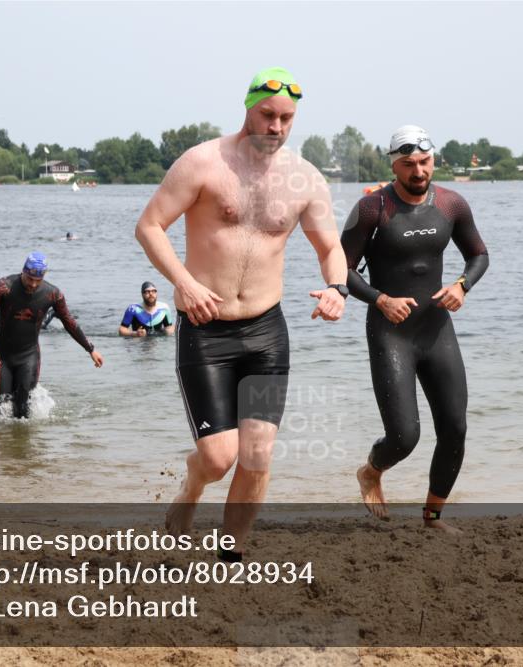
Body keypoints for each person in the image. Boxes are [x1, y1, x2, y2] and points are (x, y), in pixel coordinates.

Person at [135, 67, 347, 560]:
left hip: (266, 332)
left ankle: (231, 553)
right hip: (205, 329)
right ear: (247, 108)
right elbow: (149, 227)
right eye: (267, 115)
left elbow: (330, 246)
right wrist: (183, 284)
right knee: (218, 458)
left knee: (257, 455)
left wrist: (336, 287)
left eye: (286, 118)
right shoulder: (203, 162)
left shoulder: (306, 180)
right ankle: (190, 488)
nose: (275, 127)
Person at [340, 125, 489, 532]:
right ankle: (371, 471)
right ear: (393, 164)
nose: (419, 171)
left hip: (436, 330)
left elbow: (478, 254)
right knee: (405, 437)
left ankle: (433, 517)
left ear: (433, 160)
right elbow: (343, 271)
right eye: (409, 164)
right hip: (392, 333)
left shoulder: (452, 205)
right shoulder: (372, 209)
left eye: (424, 162)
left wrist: (462, 285)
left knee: (455, 429)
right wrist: (380, 300)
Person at [0, 251, 103, 418]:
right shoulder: (4, 286)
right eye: (30, 279)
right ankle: (4, 443)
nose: (34, 284)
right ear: (23, 271)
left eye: (38, 280)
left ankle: (25, 443)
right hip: (2, 357)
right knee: (3, 409)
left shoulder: (53, 294)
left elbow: (69, 323)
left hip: (29, 357)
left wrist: (91, 349)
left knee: (23, 410)